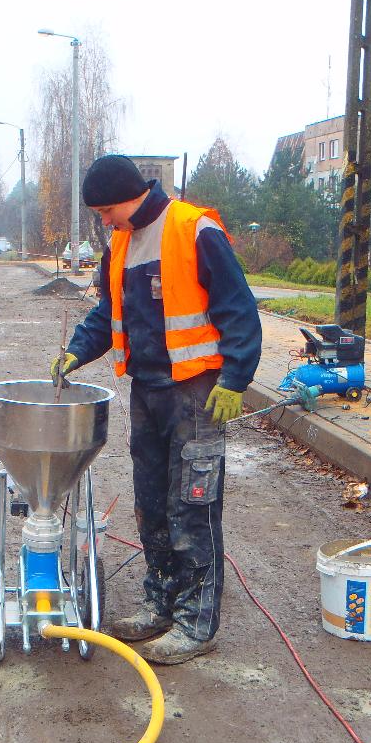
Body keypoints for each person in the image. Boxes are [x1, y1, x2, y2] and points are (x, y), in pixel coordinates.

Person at [50, 155, 261, 664]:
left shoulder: (194, 228)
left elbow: (239, 308)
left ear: (130, 195)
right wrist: (79, 349)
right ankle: (160, 602)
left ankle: (197, 622)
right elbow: (109, 311)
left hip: (197, 392)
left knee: (192, 505)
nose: (104, 221)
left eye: (106, 211)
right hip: (147, 391)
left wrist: (236, 378)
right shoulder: (120, 244)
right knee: (151, 503)